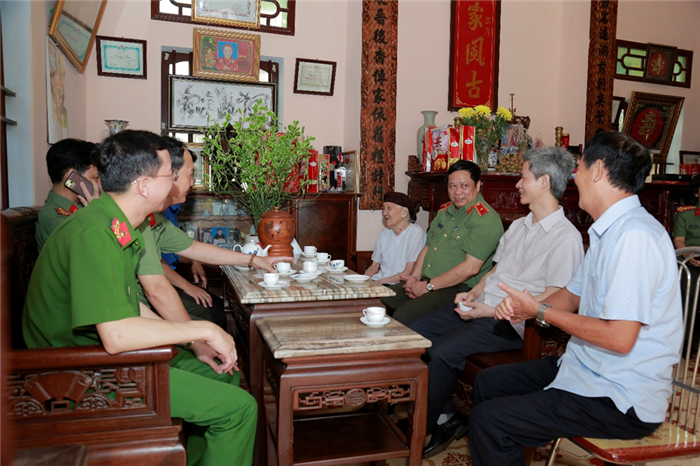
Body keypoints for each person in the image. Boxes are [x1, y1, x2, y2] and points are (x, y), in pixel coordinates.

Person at [23, 130, 258, 465]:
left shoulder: (117, 226)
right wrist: (203, 330)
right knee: (240, 409)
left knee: (225, 372)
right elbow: (117, 335)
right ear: (144, 185)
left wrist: (194, 340)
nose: (176, 182)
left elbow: (132, 305)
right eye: (170, 174)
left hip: (99, 355)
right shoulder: (95, 233)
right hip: (75, 375)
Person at [468, 131, 683, 466]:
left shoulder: (634, 238)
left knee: (490, 422)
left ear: (597, 171)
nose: (573, 177)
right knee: (489, 382)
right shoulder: (607, 231)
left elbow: (619, 338)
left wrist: (540, 311)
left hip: (619, 395)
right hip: (584, 368)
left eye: (578, 167)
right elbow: (571, 295)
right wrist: (527, 307)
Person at [409, 147, 584, 458]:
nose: (518, 184)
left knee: (440, 352)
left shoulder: (565, 238)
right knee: (412, 334)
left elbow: (555, 299)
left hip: (512, 322)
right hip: (483, 308)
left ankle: (424, 427)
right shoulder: (518, 226)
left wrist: (490, 310)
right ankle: (446, 414)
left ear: (544, 182)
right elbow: (494, 272)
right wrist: (474, 294)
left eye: (523, 177)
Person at [381, 160, 503, 323]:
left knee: (403, 316)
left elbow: (470, 268)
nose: (457, 192)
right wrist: (415, 276)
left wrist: (427, 286)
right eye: (452, 186)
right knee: (379, 299)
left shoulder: (485, 219)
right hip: (427, 281)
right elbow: (428, 247)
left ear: (478, 185)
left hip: (457, 288)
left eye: (464, 186)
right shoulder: (445, 211)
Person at [36, 138, 102, 252]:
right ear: (72, 177)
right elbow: (92, 250)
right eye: (95, 178)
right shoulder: (54, 218)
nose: (99, 184)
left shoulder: (82, 205)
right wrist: (96, 214)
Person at [364, 191, 426, 285]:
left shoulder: (416, 233)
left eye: (389, 208)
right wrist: (362, 282)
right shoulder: (384, 233)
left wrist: (378, 283)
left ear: (404, 212)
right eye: (383, 208)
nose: (384, 213)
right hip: (380, 281)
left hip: (399, 285)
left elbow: (408, 272)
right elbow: (374, 267)